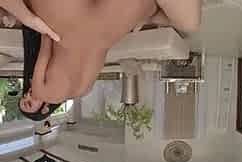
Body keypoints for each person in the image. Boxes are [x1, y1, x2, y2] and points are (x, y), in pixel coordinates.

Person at [10, 0, 202, 121]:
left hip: (115, 22)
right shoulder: (43, 91)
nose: (27, 95)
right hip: (92, 24)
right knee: (185, 22)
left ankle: (150, 17)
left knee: (189, 24)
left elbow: (93, 57)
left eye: (23, 97)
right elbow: (45, 47)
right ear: (44, 110)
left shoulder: (82, 91)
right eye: (29, 103)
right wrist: (34, 21)